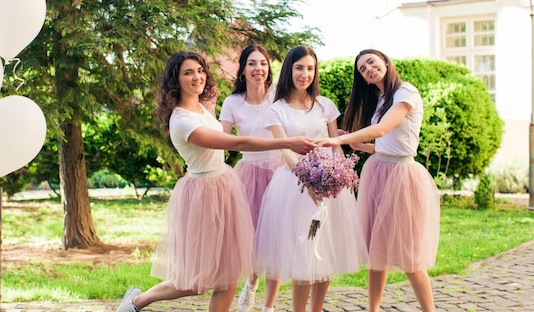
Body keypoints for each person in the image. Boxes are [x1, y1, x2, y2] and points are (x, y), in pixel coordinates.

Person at [117, 50, 316, 312]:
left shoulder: (201, 106)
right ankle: (137, 300)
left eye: (200, 71)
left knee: (229, 275)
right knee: (198, 280)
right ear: (176, 80)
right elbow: (235, 142)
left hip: (225, 185)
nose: (197, 76)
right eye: (188, 73)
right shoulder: (181, 120)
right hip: (203, 193)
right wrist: (286, 142)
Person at [317, 49, 440, 312]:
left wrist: (340, 140)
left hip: (402, 177)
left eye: (371, 62)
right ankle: (373, 309)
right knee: (376, 249)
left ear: (384, 61)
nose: (368, 69)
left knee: (409, 253)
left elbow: (383, 129)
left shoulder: (406, 92)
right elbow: (385, 143)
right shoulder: (384, 98)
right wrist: (356, 142)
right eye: (362, 69)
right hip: (378, 171)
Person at [254, 45, 367, 312]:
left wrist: (337, 174)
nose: (305, 74)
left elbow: (335, 144)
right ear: (289, 70)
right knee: (303, 254)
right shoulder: (276, 110)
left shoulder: (325, 105)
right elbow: (285, 150)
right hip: (295, 189)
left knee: (323, 252)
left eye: (310, 68)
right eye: (299, 68)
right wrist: (307, 181)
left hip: (330, 189)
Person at [219, 44, 284, 312]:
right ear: (243, 69)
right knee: (252, 239)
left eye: (263, 63)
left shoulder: (278, 97)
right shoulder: (232, 102)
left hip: (280, 171)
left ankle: (268, 306)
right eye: (252, 64)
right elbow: (223, 141)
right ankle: (250, 284)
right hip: (248, 174)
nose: (259, 69)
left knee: (277, 239)